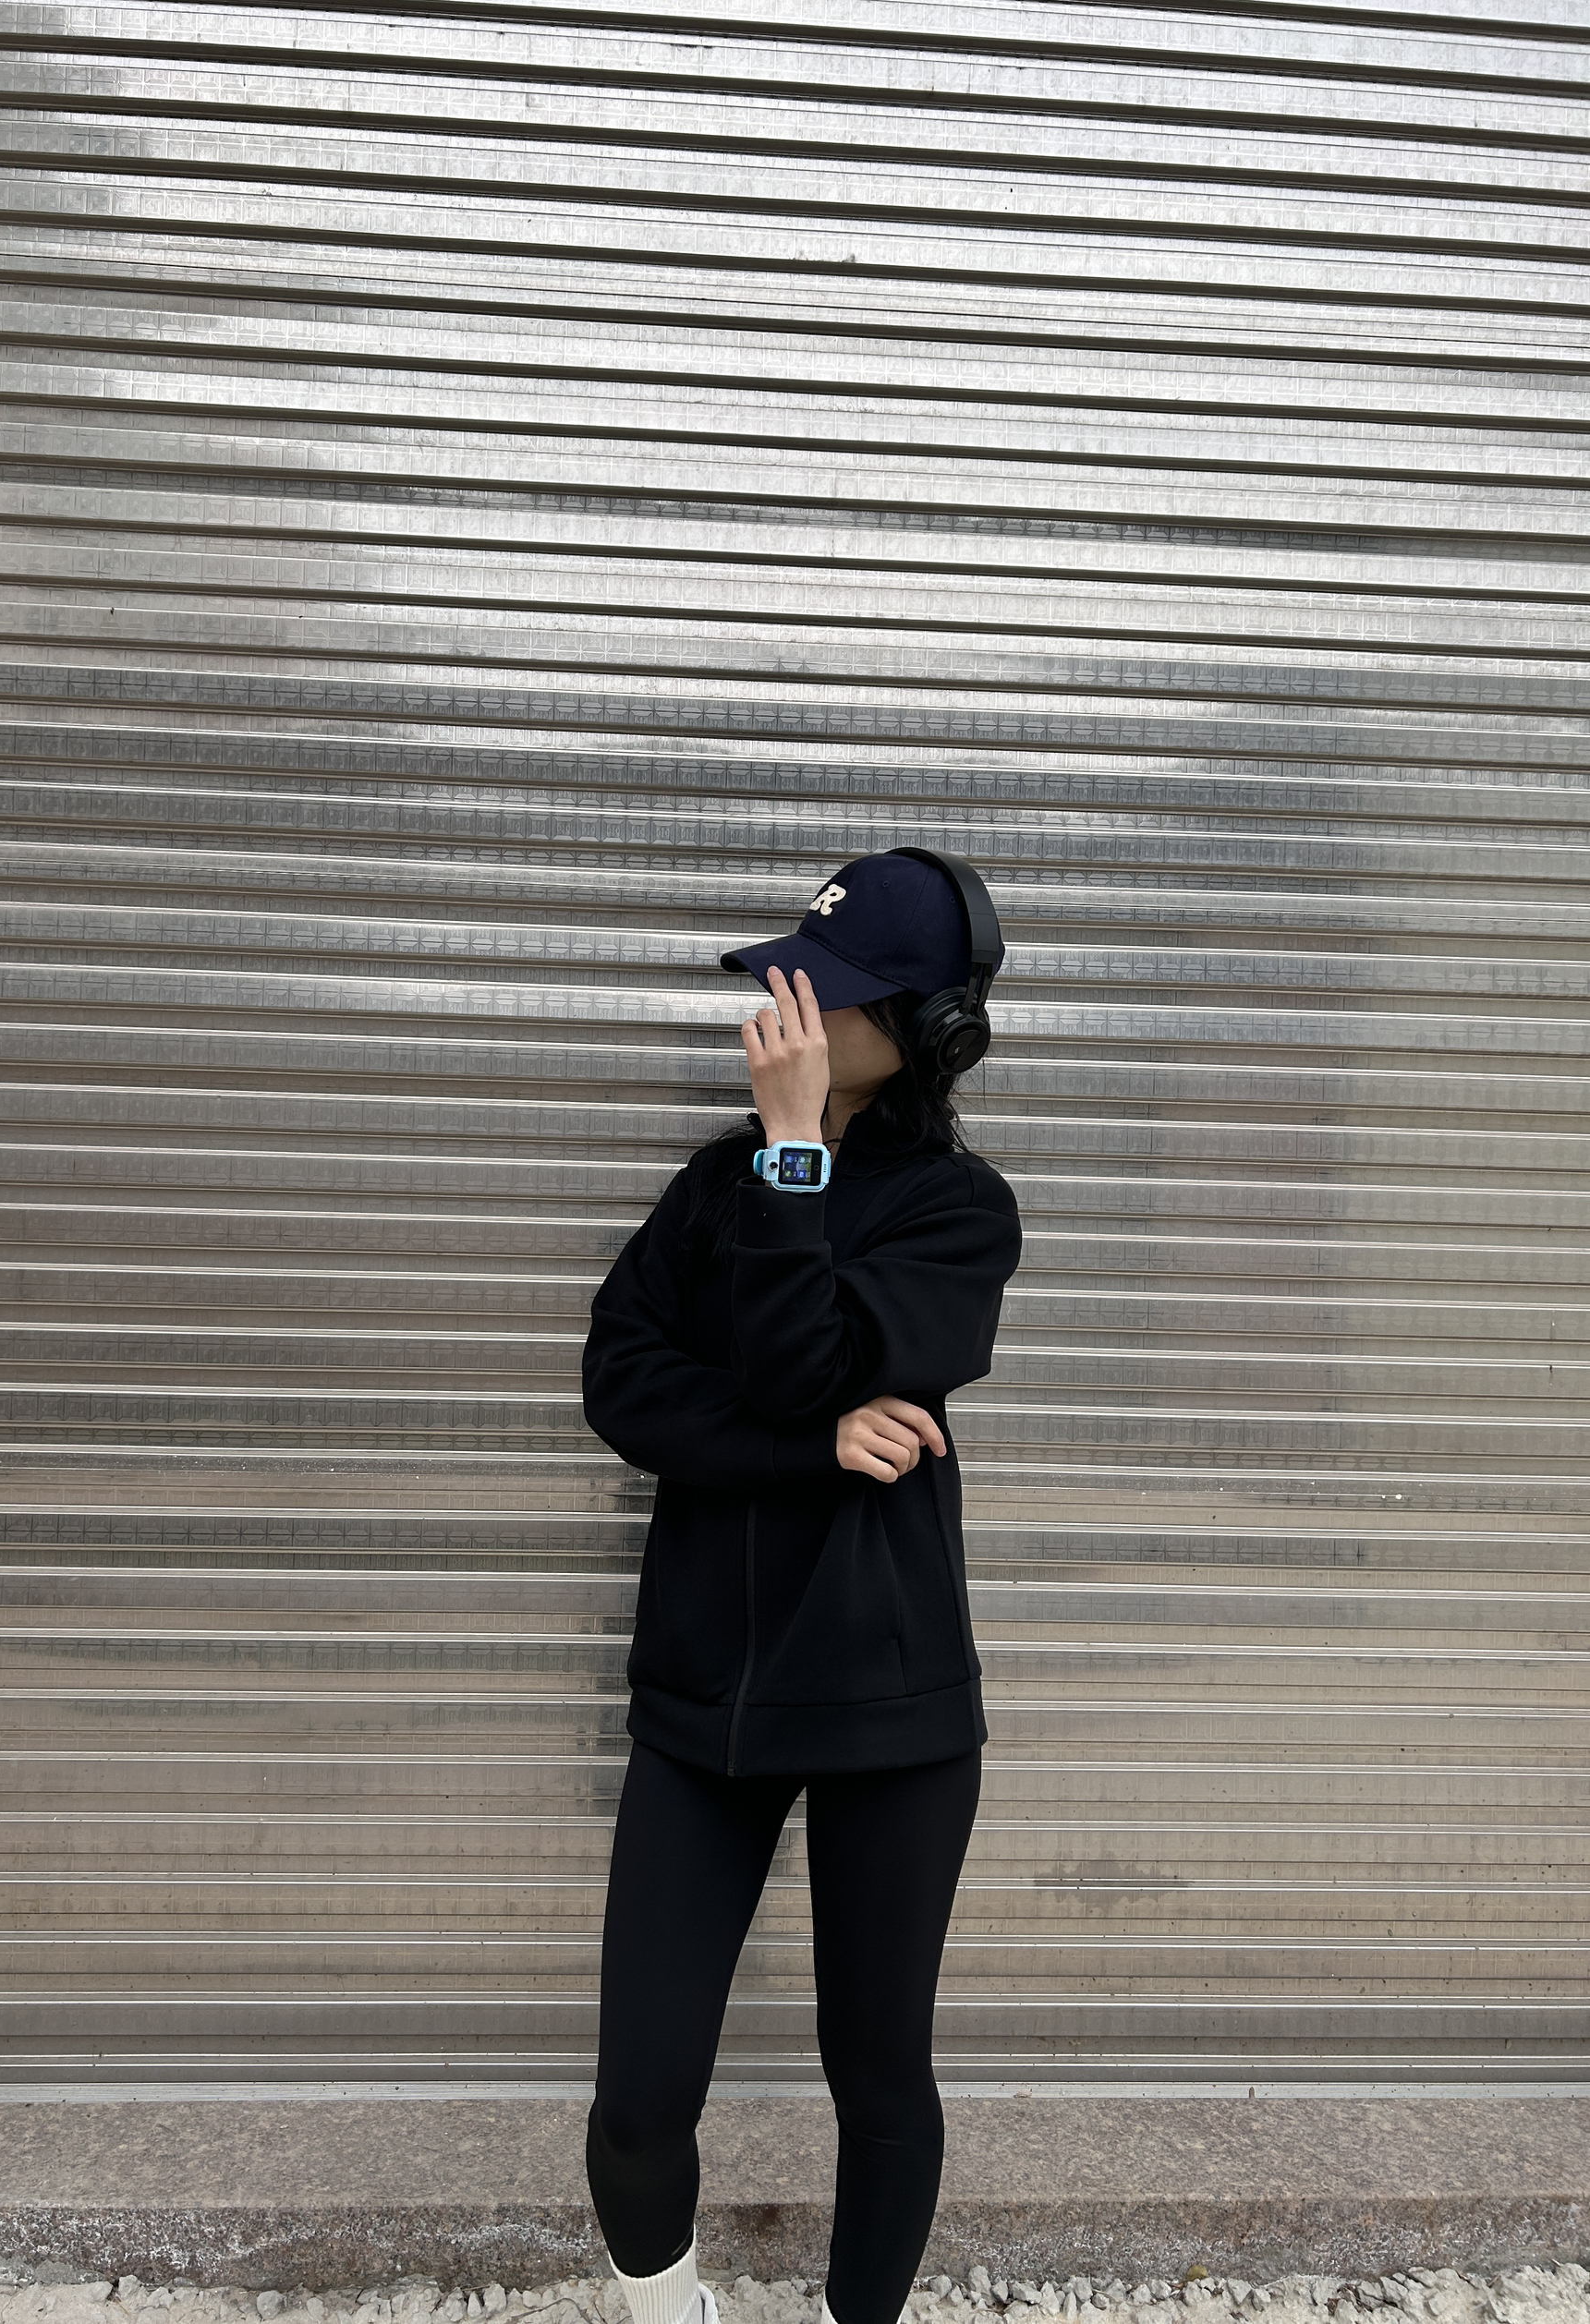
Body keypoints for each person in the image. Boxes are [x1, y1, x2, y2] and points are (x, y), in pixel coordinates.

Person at [578, 848, 1023, 2324]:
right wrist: (811, 1444)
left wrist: (794, 1157)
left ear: (929, 1028)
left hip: (892, 1712)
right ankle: (669, 2311)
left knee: (879, 2073)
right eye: (790, 980)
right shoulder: (712, 1189)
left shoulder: (960, 1213)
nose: (788, 1012)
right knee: (640, 2099)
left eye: (828, 993)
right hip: (701, 1706)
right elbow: (623, 1385)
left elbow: (792, 1357)